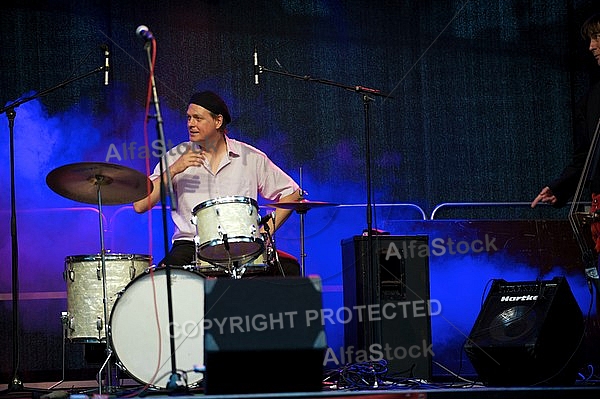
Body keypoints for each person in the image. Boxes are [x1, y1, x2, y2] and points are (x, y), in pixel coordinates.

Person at [133, 90, 303, 277]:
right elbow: (140, 205)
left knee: (289, 270)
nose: (190, 124)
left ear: (218, 121)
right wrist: (173, 170)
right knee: (163, 280)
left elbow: (293, 193)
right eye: (188, 118)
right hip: (191, 245)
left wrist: (264, 232)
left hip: (241, 245)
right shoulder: (175, 156)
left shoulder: (250, 157)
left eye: (197, 118)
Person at [531, 13, 600, 252]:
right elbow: (586, 155)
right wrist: (559, 188)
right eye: (590, 39)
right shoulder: (592, 98)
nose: (591, 46)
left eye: (597, 37)